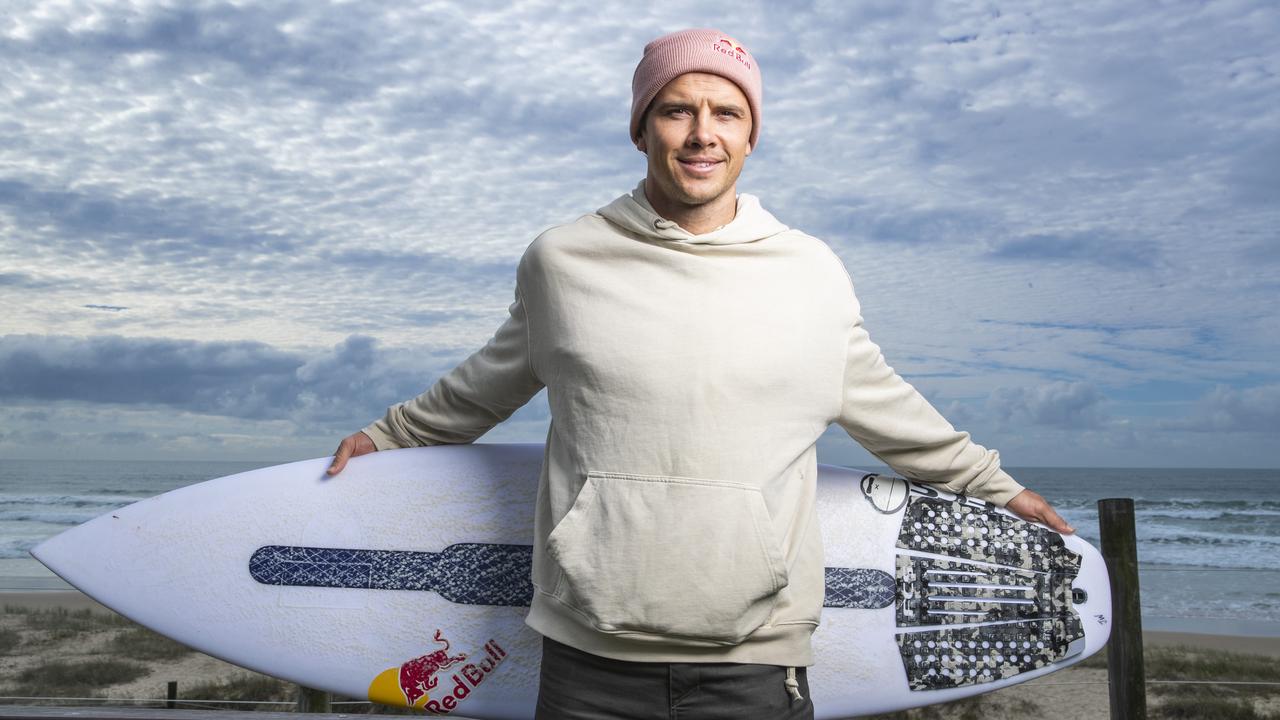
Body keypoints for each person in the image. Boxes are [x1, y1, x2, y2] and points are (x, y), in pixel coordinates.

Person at [327, 28, 1073, 720]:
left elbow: (884, 403)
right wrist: (390, 435)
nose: (701, 134)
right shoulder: (563, 260)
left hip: (754, 662)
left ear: (751, 135)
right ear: (642, 127)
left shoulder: (809, 271)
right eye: (677, 111)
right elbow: (486, 383)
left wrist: (996, 485)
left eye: (725, 112)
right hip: (587, 655)